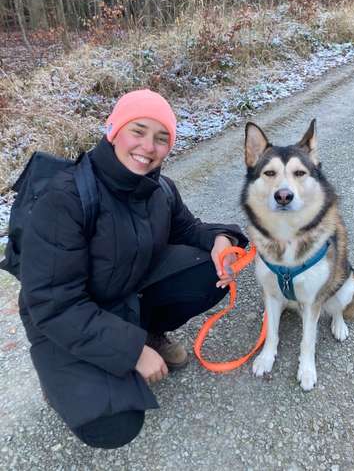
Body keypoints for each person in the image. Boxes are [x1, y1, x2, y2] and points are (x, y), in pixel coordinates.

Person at [19, 89, 247, 449]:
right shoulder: (64, 199)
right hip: (65, 318)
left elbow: (188, 229)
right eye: (137, 131)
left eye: (162, 138)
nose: (148, 147)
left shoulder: (160, 189)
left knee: (207, 270)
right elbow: (53, 304)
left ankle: (150, 331)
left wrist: (221, 239)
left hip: (123, 293)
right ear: (114, 130)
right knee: (113, 426)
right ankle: (58, 377)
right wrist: (133, 352)